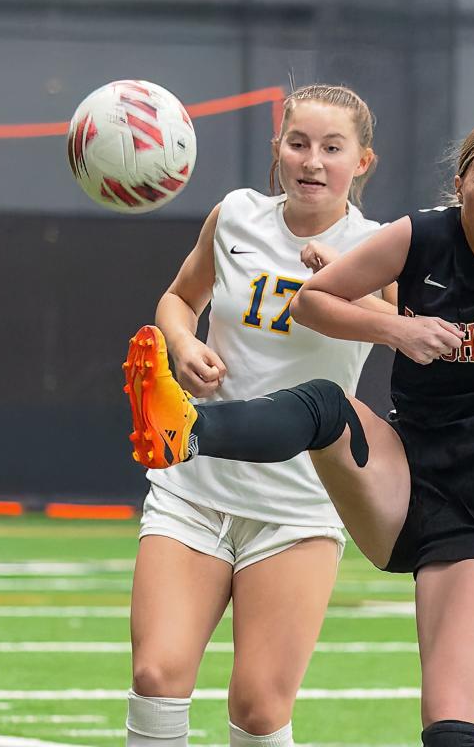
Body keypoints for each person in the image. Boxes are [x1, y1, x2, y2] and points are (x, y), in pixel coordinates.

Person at [124, 33, 474, 746]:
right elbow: (300, 303)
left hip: (447, 505)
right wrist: (394, 327)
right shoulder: (403, 235)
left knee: (362, 717)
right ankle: (187, 430)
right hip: (362, 477)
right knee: (160, 671)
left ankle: (192, 431)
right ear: (459, 182)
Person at [123, 84, 397, 747]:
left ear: (362, 163)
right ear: (277, 149)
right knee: (157, 674)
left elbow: (417, 337)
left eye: (333, 148)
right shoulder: (237, 216)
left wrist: (348, 288)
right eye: (298, 143)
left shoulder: (379, 246)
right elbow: (179, 299)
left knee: (259, 709)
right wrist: (184, 343)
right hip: (196, 488)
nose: (312, 160)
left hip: (299, 505)